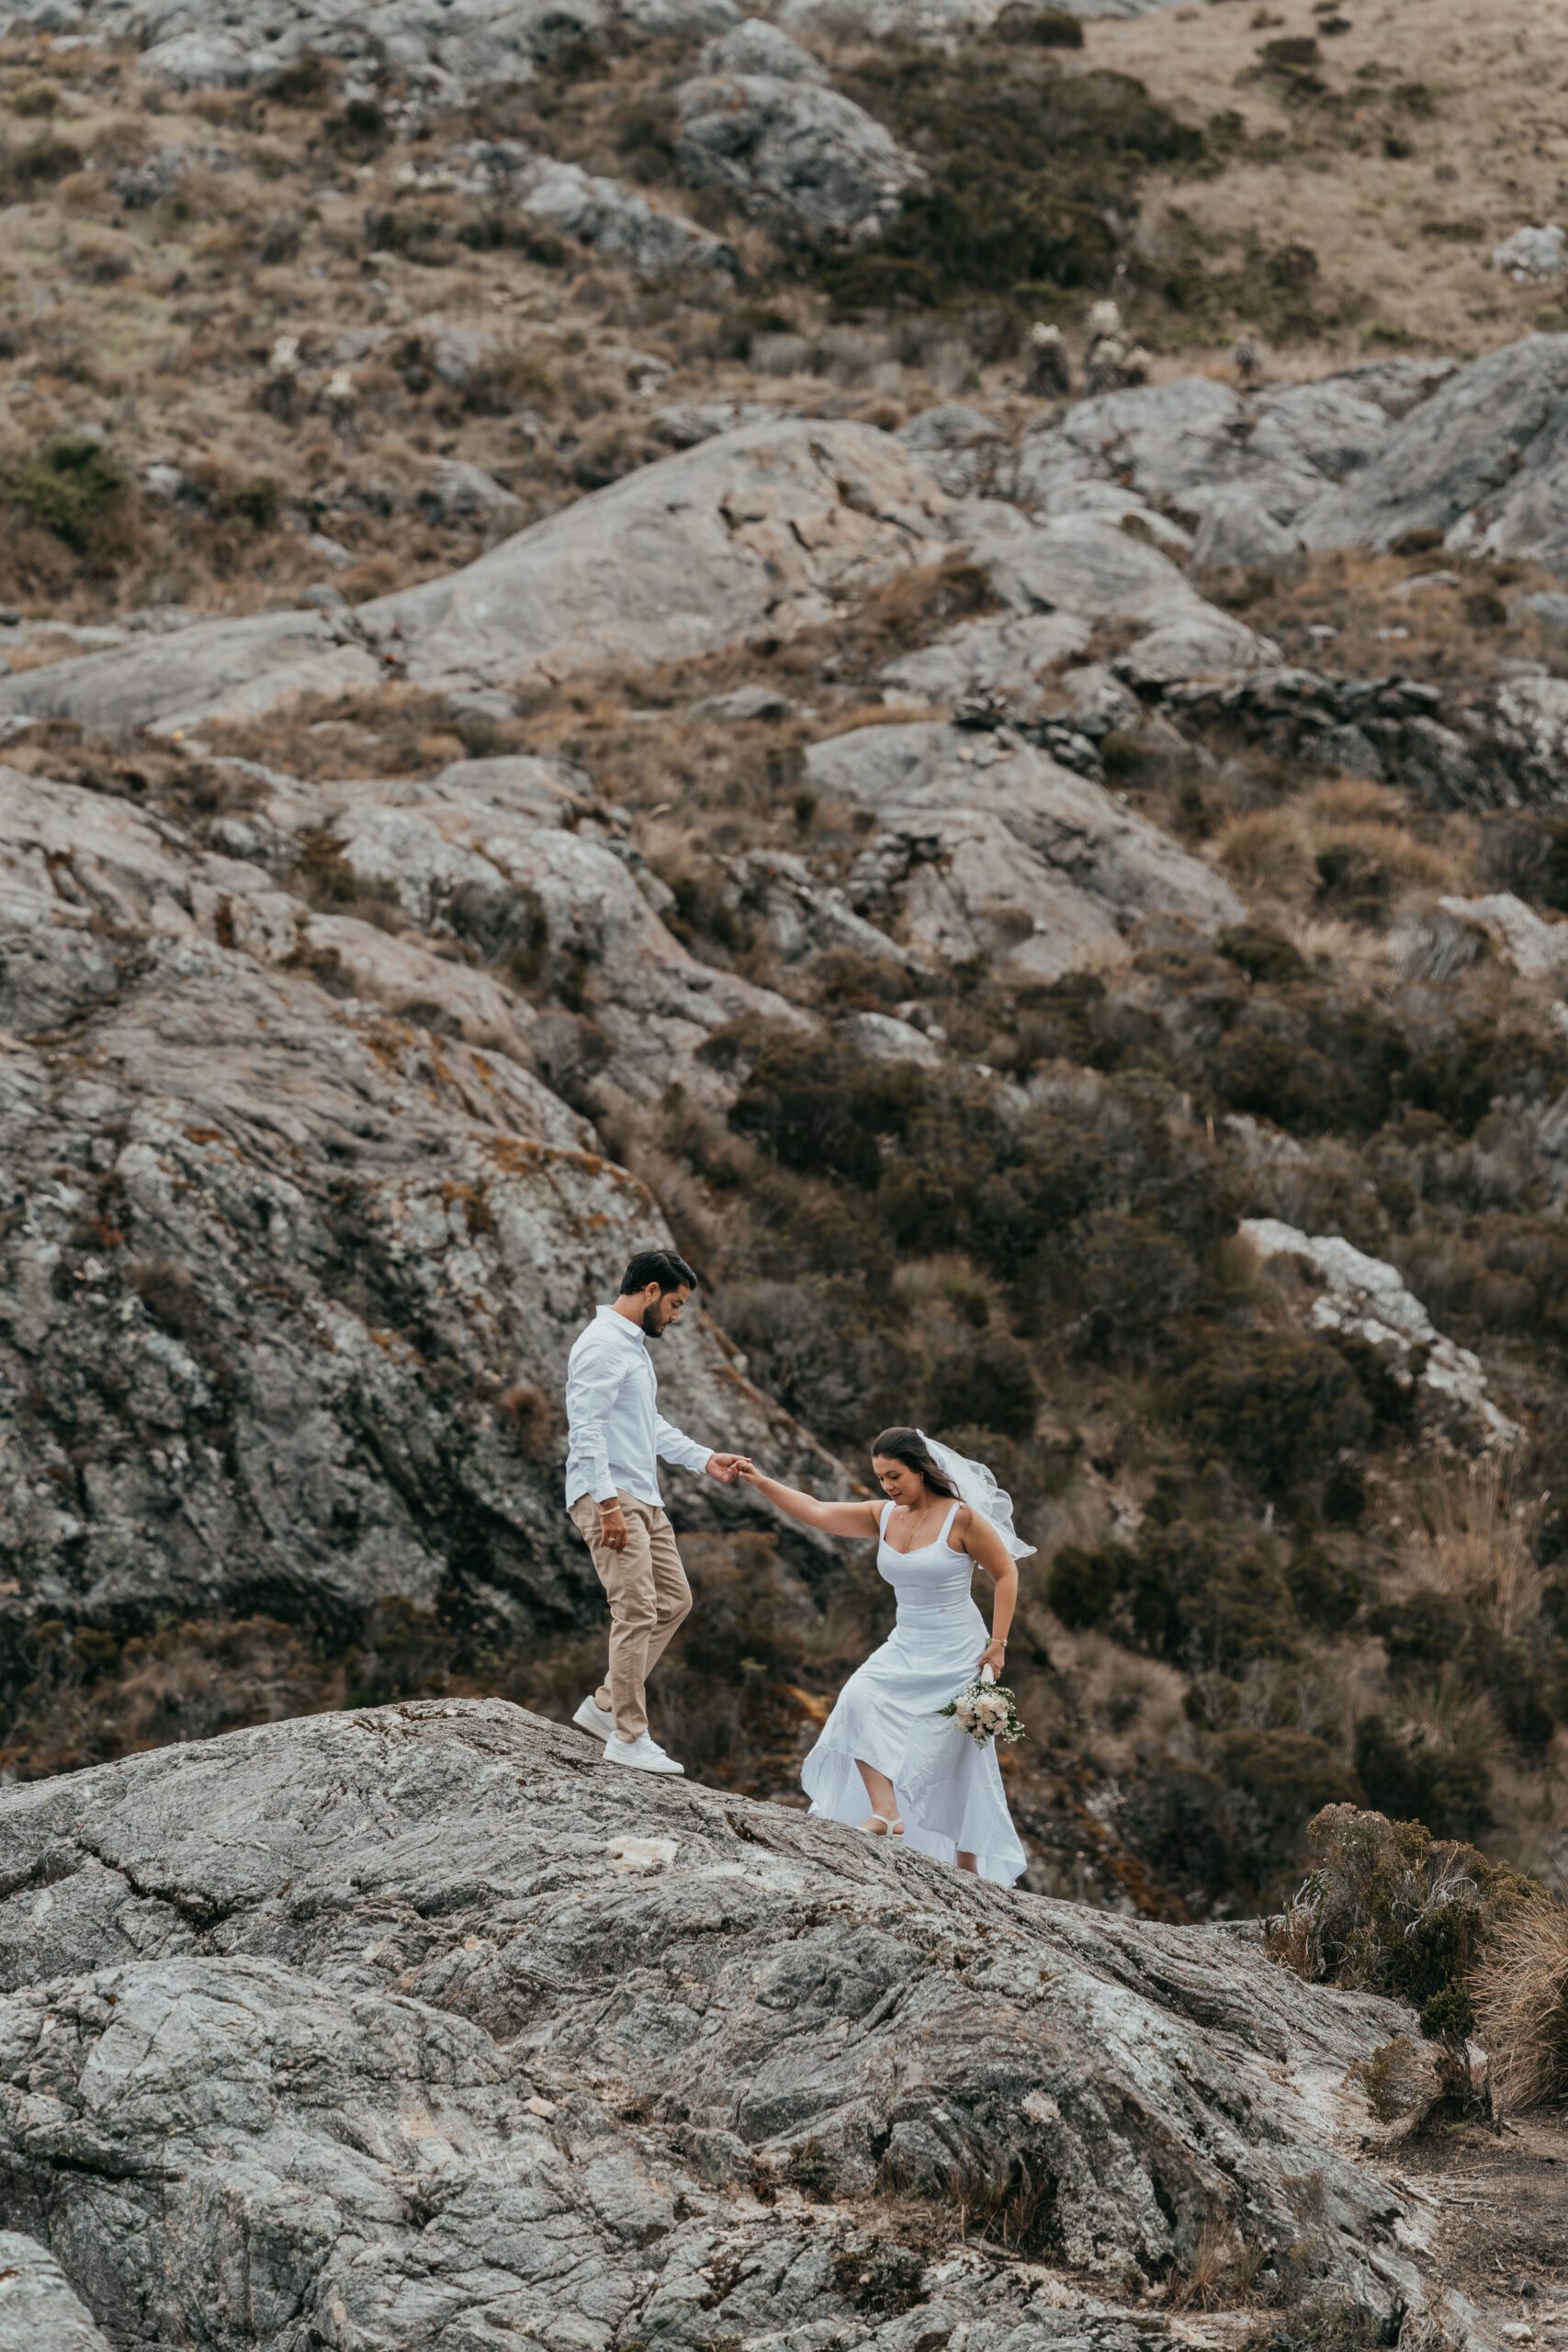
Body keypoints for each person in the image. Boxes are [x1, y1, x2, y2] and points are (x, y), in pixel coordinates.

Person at [739, 1428, 1030, 1883]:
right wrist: (760, 1481)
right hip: (906, 1643)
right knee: (859, 1698)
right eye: (880, 1478)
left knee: (959, 1753)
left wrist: (999, 1643)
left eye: (894, 1475)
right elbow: (816, 1511)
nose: (887, 1486)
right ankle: (887, 1813)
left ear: (921, 1469)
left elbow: (1005, 1574)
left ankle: (969, 1867)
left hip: (958, 1649)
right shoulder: (883, 1514)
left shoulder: (961, 1519)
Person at [564, 1249, 751, 1776]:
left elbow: (649, 1425)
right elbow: (586, 1430)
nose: (676, 1316)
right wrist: (607, 1505)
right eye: (674, 1304)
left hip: (645, 1497)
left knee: (673, 1600)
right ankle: (628, 1735)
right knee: (635, 1610)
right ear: (650, 1291)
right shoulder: (602, 1345)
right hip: (611, 1496)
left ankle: (606, 1705)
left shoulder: (631, 1347)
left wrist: (704, 1459)